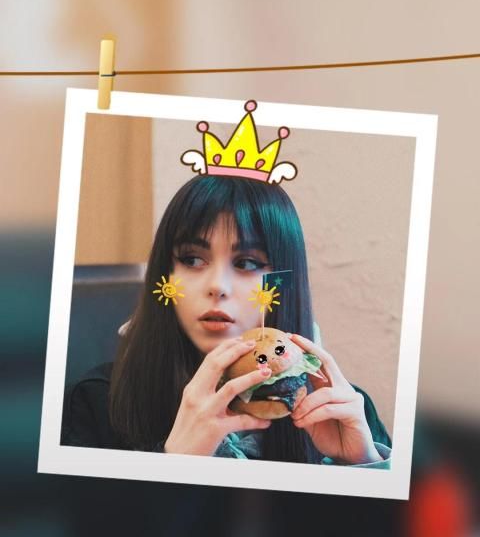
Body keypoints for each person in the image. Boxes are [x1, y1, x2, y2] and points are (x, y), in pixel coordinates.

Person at [61, 174, 391, 467]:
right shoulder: (96, 401)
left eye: (247, 263)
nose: (218, 285)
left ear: (284, 282)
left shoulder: (341, 409)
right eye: (192, 259)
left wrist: (362, 465)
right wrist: (174, 463)